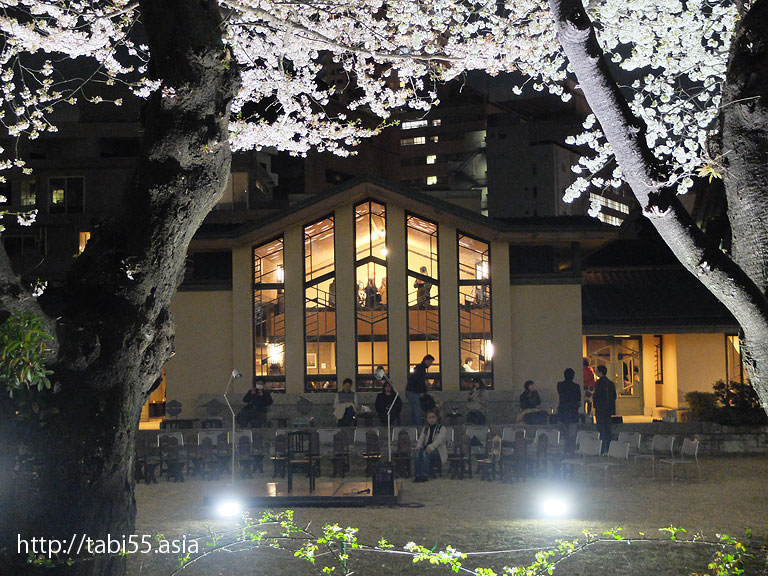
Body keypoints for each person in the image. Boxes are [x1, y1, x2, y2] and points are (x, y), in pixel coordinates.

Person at [413, 409, 448, 482]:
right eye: (429, 417)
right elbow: (421, 439)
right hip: (426, 448)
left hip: (438, 451)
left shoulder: (442, 428)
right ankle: (417, 476)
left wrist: (431, 447)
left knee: (425, 453)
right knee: (417, 454)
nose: (431, 419)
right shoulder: (425, 429)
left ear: (436, 418)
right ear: (427, 419)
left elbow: (439, 440)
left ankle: (425, 475)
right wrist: (418, 447)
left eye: (433, 417)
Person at [593, 365, 617, 454]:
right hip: (608, 410)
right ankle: (609, 448)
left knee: (601, 429)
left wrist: (595, 404)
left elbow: (597, 396)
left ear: (600, 372)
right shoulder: (611, 383)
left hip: (600, 409)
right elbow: (614, 396)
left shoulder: (599, 383)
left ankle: (602, 448)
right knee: (607, 429)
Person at [557, 368, 581, 456]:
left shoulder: (560, 385)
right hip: (572, 414)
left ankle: (563, 452)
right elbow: (578, 400)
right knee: (572, 436)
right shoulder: (576, 386)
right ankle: (570, 452)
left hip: (562, 413)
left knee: (563, 436)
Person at [406, 354, 434, 425]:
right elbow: (419, 381)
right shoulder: (421, 368)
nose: (430, 364)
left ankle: (415, 425)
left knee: (415, 409)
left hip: (411, 391)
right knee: (416, 410)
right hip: (414, 391)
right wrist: (421, 391)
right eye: (430, 362)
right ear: (426, 360)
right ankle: (417, 426)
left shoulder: (419, 368)